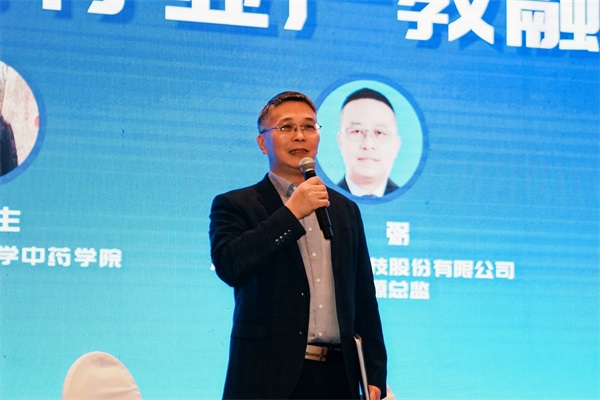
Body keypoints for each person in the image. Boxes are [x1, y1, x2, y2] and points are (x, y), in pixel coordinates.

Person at [209, 91, 387, 399]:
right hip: (267, 379)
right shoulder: (235, 205)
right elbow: (230, 266)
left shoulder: (344, 210)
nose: (300, 136)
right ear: (262, 143)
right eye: (286, 127)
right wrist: (291, 213)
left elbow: (363, 296)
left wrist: (374, 372)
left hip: (337, 378)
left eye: (308, 126)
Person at [337, 88, 401, 197]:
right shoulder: (324, 200)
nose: (368, 144)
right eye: (357, 131)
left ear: (396, 145)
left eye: (379, 132)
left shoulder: (412, 201)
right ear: (340, 141)